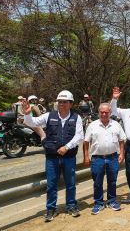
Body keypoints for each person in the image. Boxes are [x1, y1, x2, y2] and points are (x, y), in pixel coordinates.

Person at [22, 90, 84, 222]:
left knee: (71, 183)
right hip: (52, 158)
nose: (62, 104)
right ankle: (51, 208)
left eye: (65, 102)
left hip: (69, 157)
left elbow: (79, 136)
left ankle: (71, 206)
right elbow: (33, 122)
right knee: (51, 185)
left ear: (71, 104)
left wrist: (66, 147)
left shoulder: (76, 118)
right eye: (60, 102)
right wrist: (27, 114)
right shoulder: (49, 115)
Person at [83, 103, 126, 215]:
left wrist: (121, 153)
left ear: (110, 113)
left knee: (112, 181)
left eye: (106, 112)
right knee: (97, 182)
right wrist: (86, 156)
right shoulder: (92, 125)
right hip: (97, 159)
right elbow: (86, 142)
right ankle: (98, 203)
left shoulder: (116, 124)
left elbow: (121, 140)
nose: (104, 114)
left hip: (113, 158)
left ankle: (112, 201)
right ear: (98, 113)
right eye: (102, 112)